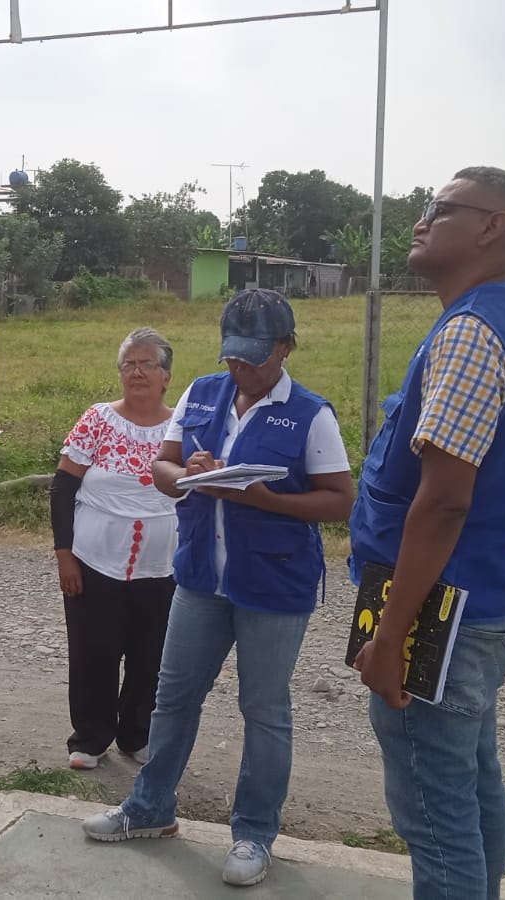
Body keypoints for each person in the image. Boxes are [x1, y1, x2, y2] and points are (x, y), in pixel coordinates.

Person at [83, 289, 355, 888]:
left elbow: (340, 500)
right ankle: (150, 808)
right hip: (201, 577)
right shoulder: (203, 393)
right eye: (232, 354)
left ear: (285, 348)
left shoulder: (310, 414)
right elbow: (162, 466)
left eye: (254, 357)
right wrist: (188, 475)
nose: (240, 368)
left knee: (263, 709)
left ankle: (254, 833)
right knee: (174, 696)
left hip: (274, 584)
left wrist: (264, 499)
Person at [349, 166, 505, 900]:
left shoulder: (469, 334)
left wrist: (392, 635)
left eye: (438, 208)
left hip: (439, 611)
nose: (420, 221)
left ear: (493, 227)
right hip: (478, 597)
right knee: (470, 785)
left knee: (436, 818)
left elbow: (442, 504)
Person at [51, 327, 179, 771]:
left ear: (166, 376)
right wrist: (64, 554)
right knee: (93, 652)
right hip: (94, 560)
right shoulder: (98, 419)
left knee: (151, 654)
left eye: (147, 364)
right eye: (129, 364)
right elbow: (63, 486)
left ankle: (137, 735)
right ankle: (89, 739)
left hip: (162, 566)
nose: (137, 372)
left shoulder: (183, 426)